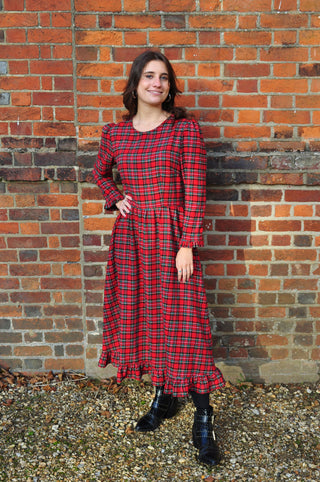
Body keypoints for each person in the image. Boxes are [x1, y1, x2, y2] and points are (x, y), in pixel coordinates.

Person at [92, 50, 225, 466]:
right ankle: (164, 396)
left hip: (172, 239)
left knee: (186, 321)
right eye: (149, 76)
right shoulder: (115, 133)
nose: (157, 83)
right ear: (136, 84)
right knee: (148, 316)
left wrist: (187, 244)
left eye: (164, 78)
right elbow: (99, 173)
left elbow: (195, 190)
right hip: (132, 240)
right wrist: (116, 198)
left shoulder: (184, 130)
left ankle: (203, 417)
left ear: (170, 86)